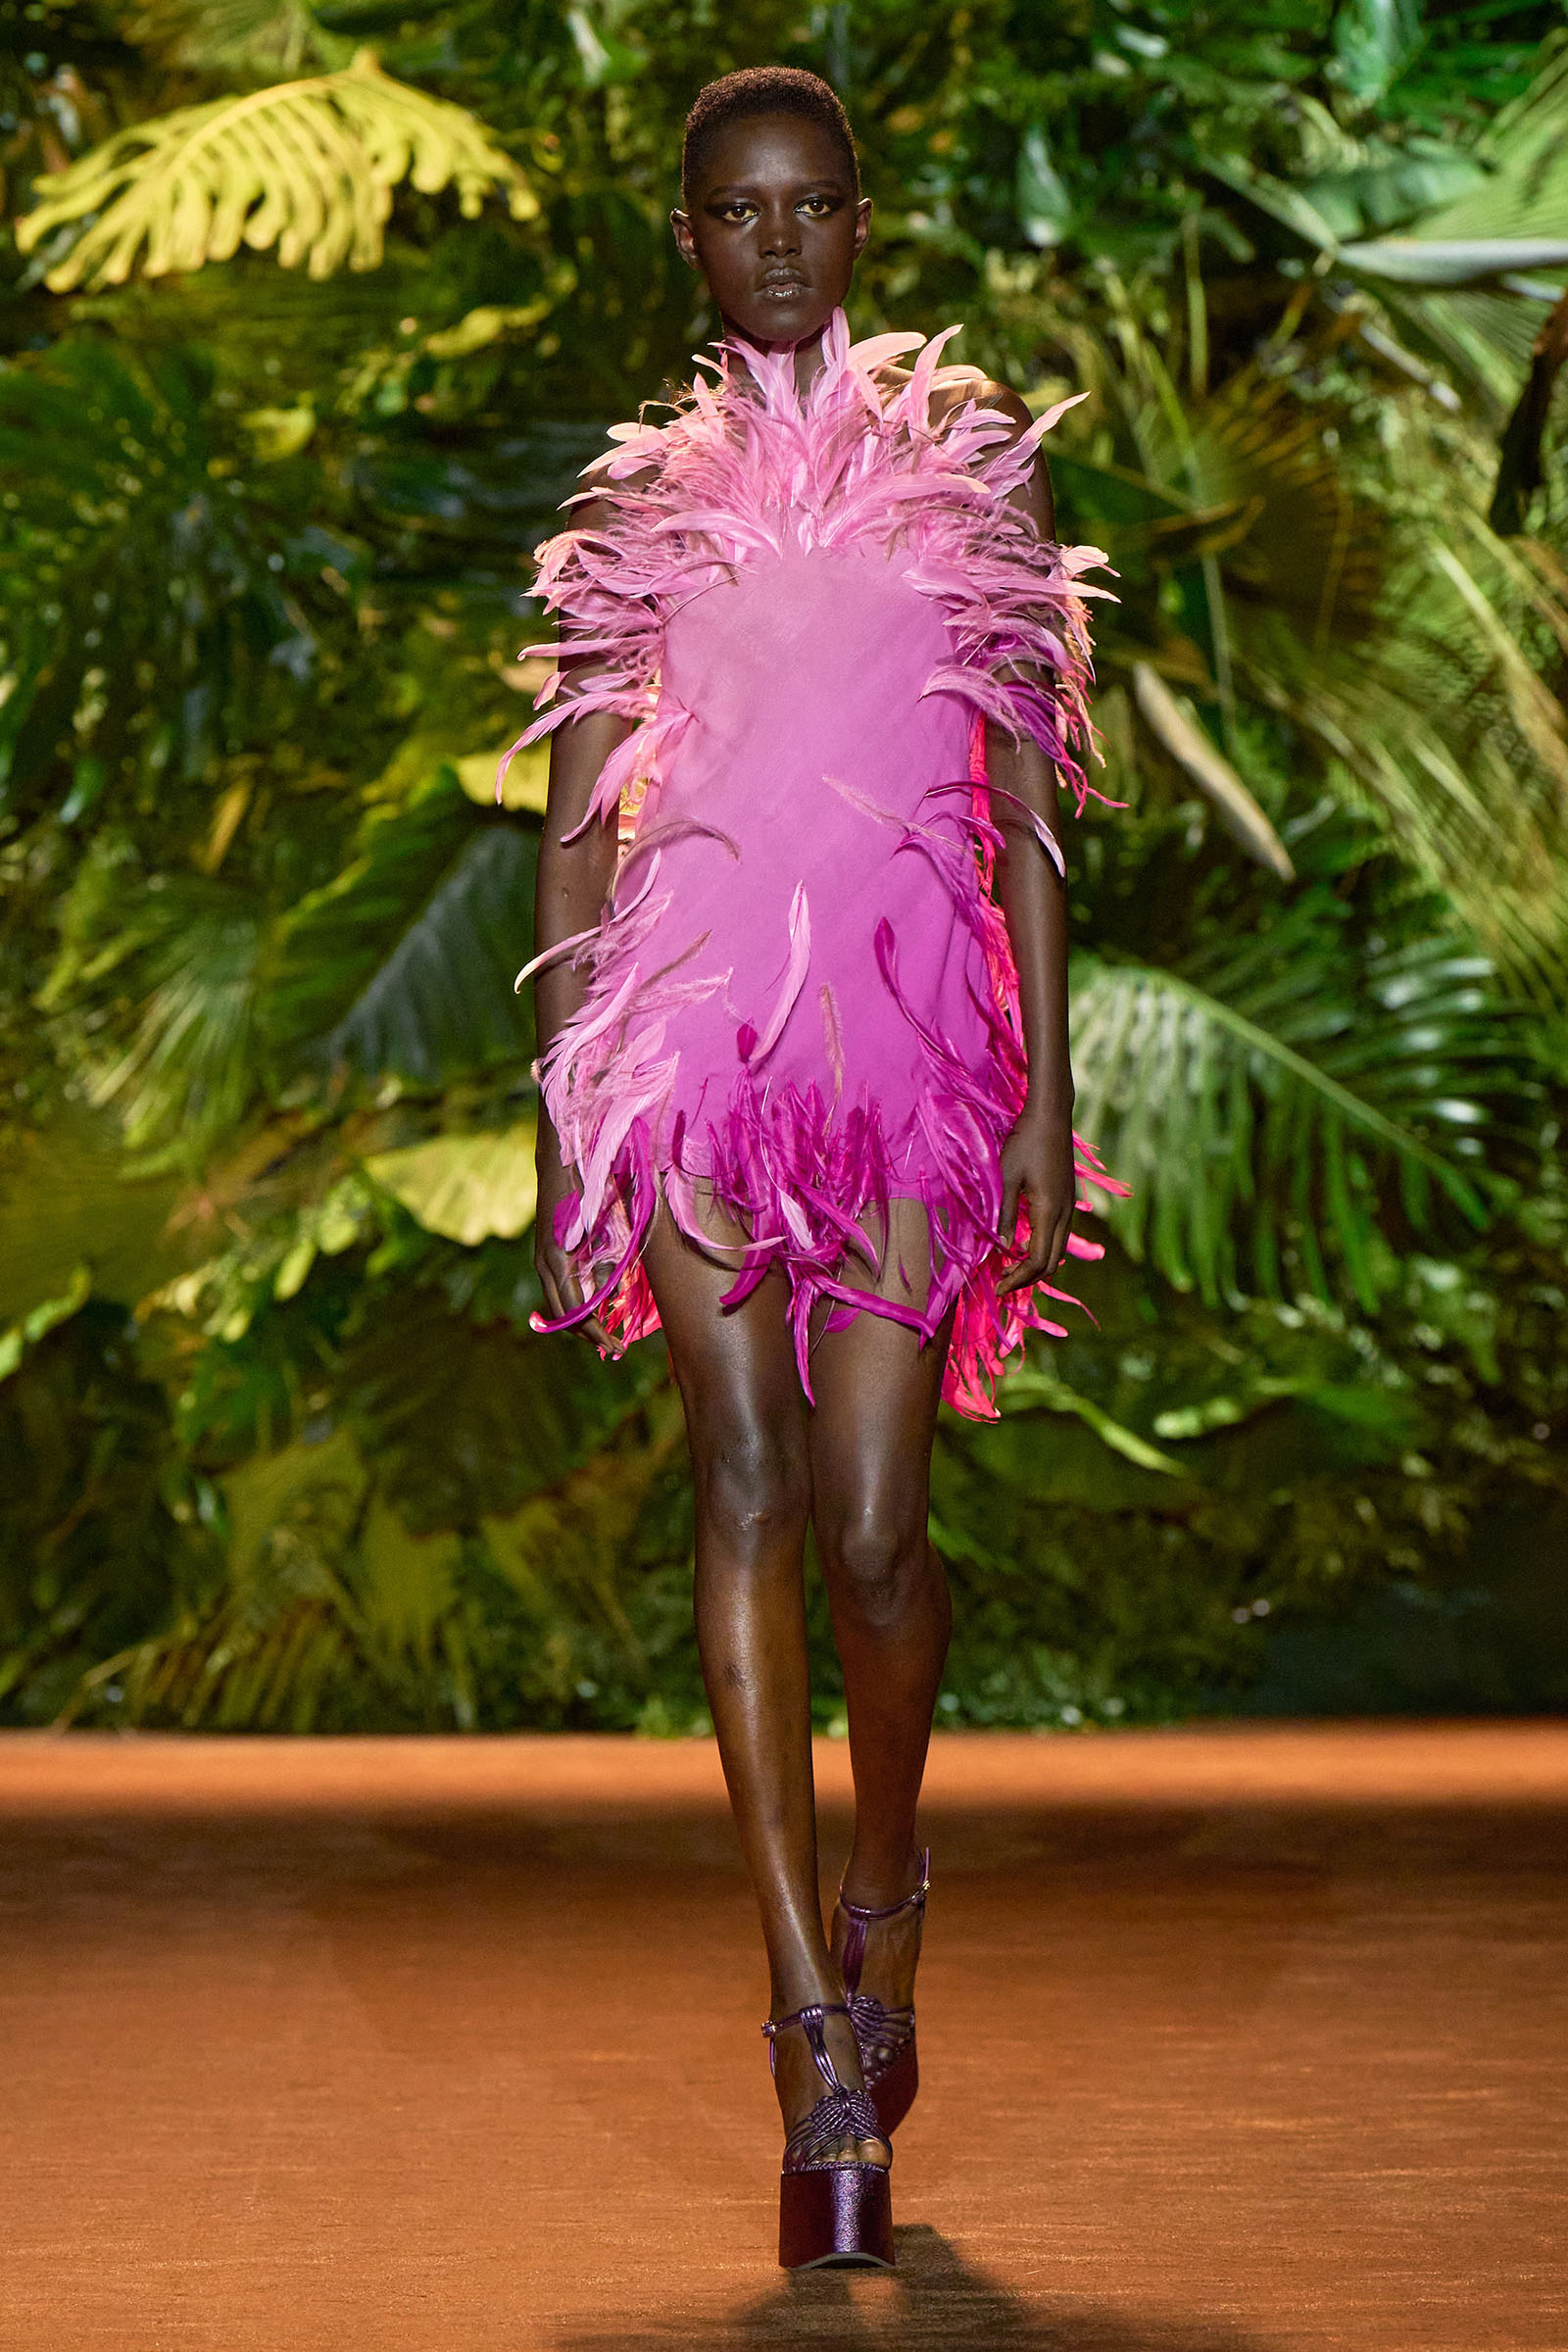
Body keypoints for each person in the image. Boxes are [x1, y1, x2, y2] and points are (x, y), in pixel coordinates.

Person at [507, 65, 1116, 2272]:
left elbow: (1025, 812)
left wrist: (1038, 1095)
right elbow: (574, 829)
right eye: (736, 209)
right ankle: (803, 2021)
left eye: (810, 204)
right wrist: (565, 1110)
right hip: (683, 1060)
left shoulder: (972, 483)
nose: (776, 240)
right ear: (689, 237)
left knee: (872, 1534)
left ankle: (885, 1877)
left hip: (905, 1061)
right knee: (746, 1488)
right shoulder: (636, 508)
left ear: (862, 221)